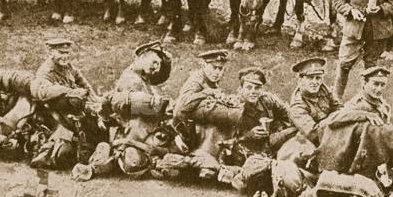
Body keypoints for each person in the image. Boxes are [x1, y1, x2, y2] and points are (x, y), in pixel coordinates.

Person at [93, 40, 175, 177]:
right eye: (154, 62)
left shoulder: (143, 74)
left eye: (158, 64)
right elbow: (137, 108)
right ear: (142, 58)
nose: (156, 67)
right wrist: (160, 105)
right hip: (133, 129)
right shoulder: (131, 79)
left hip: (143, 126)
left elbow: (162, 76)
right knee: (137, 159)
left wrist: (166, 61)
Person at [172, 49, 245, 178]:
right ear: (204, 65)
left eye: (221, 69)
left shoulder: (212, 82)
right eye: (214, 67)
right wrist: (207, 93)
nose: (217, 72)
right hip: (185, 127)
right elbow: (180, 107)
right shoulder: (196, 80)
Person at [29, 37, 98, 169]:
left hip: (69, 109)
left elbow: (84, 83)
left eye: (67, 53)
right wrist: (68, 91)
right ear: (51, 52)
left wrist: (94, 99)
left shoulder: (68, 67)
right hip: (50, 112)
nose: (65, 56)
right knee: (63, 147)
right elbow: (42, 92)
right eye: (61, 53)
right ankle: (48, 153)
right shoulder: (46, 71)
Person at [230, 67, 294, 157]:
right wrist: (249, 136)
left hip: (269, 145)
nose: (253, 92)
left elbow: (288, 115)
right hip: (243, 151)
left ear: (262, 89)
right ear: (241, 89)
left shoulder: (268, 100)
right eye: (249, 87)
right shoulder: (233, 107)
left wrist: (278, 127)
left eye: (257, 88)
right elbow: (227, 140)